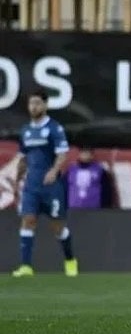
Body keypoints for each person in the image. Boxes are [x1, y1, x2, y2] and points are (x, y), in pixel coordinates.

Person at [11, 90, 78, 277]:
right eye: (31, 103)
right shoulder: (25, 131)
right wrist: (17, 180)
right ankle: (26, 266)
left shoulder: (55, 128)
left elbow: (62, 154)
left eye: (38, 103)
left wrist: (54, 171)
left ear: (46, 105)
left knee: (57, 227)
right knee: (28, 220)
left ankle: (70, 260)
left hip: (51, 186)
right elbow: (23, 158)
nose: (34, 107)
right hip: (32, 185)